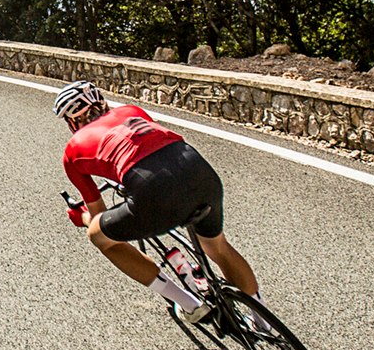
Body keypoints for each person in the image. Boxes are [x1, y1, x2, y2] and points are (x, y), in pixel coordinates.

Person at [54, 79, 264, 325]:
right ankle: (265, 323)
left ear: (72, 122)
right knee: (217, 247)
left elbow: (98, 213)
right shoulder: (132, 111)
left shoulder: (72, 151)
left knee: (98, 236)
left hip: (152, 190)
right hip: (197, 167)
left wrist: (83, 218)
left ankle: (190, 305)